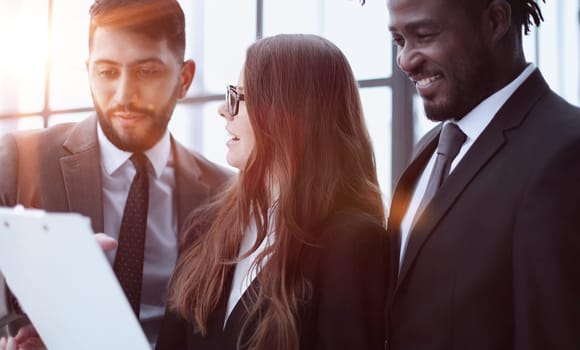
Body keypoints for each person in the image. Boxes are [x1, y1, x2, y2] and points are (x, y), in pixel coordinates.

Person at [0, 0, 231, 347]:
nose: (125, 95)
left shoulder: (224, 193)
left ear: (184, 79)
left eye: (147, 71)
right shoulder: (20, 161)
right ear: (89, 70)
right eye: (107, 72)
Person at [155, 33, 389, 350]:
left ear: (286, 113)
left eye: (239, 97)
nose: (225, 110)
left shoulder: (354, 244)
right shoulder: (205, 228)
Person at [385, 0, 580, 349]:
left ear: (495, 19)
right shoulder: (428, 150)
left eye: (424, 35)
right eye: (399, 40)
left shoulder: (566, 150)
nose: (406, 60)